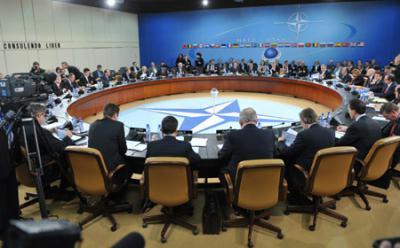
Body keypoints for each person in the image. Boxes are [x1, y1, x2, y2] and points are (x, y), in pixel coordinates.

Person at [278, 108, 335, 204]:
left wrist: (280, 142)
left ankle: (296, 197)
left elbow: (288, 152)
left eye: (301, 121)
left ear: (305, 120)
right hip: (326, 172)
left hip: (307, 173)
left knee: (285, 161)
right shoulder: (330, 132)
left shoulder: (304, 134)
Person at [25, 103, 75, 200]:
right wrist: (67, 137)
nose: (44, 117)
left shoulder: (25, 128)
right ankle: (64, 187)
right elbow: (60, 147)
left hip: (31, 167)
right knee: (68, 154)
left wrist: (48, 133)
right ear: (38, 115)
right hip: (46, 169)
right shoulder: (39, 131)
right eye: (44, 115)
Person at [218, 107, 275, 182]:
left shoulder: (232, 135)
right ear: (256, 121)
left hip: (240, 183)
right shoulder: (269, 134)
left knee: (220, 169)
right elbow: (274, 153)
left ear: (240, 122)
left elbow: (222, 157)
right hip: (266, 182)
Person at [88, 103, 130, 185]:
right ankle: (122, 186)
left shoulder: (93, 125)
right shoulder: (118, 125)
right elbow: (123, 150)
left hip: (95, 165)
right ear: (115, 115)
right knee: (130, 162)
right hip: (109, 167)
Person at [336, 99, 382, 164]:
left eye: (349, 109)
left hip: (356, 160)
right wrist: (348, 129)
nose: (348, 111)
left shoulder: (356, 126)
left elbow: (341, 143)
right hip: (371, 159)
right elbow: (363, 130)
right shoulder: (374, 122)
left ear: (354, 111)